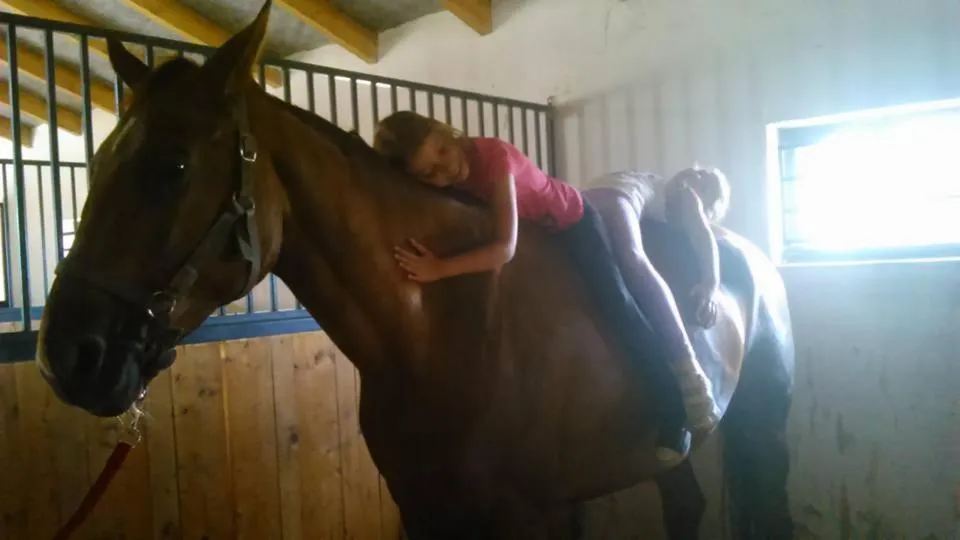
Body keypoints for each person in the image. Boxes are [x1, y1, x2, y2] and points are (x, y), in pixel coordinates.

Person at [371, 110, 714, 461]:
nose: (446, 169)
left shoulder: (493, 158)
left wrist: (440, 268)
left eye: (442, 151)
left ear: (444, 133)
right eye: (430, 173)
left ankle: (675, 409)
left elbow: (504, 248)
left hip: (574, 222)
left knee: (616, 303)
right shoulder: (449, 178)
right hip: (538, 235)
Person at [584, 167, 730, 444]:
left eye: (706, 181)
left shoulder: (683, 193)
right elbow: (702, 236)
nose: (695, 174)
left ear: (707, 201)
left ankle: (689, 372)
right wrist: (710, 285)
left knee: (631, 258)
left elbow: (703, 234)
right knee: (633, 259)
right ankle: (689, 369)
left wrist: (712, 286)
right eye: (697, 172)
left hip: (584, 200)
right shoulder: (669, 189)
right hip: (612, 200)